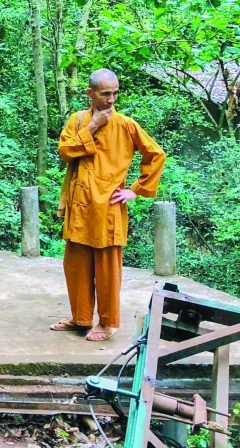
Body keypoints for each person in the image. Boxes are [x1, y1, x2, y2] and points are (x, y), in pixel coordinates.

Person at [52, 68, 165, 342]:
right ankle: (80, 318)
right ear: (90, 94)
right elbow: (66, 153)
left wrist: (135, 191)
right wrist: (91, 128)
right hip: (79, 204)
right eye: (105, 94)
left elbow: (156, 154)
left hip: (108, 207)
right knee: (76, 265)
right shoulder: (77, 120)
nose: (111, 99)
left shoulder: (125, 124)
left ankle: (107, 323)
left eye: (115, 93)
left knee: (107, 269)